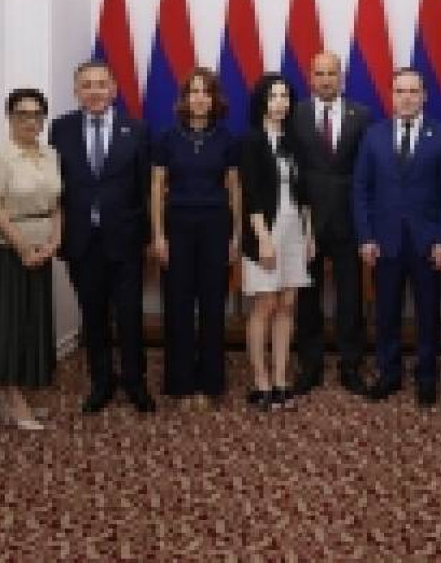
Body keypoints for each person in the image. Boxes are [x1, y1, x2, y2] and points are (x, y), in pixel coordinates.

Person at [49, 62, 155, 414]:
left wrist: (148, 236)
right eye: (87, 85)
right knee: (93, 315)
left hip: (125, 238)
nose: (94, 91)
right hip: (82, 240)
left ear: (113, 89)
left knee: (129, 315)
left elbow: (144, 187)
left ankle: (135, 381)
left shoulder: (136, 129)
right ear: (76, 91)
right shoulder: (61, 129)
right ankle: (101, 381)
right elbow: (58, 185)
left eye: (101, 84)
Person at [353, 68, 441, 408]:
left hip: (428, 243)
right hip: (384, 242)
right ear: (392, 95)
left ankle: (427, 377)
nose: (407, 98)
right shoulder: (373, 135)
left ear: (424, 96)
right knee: (386, 313)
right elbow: (360, 189)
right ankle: (389, 373)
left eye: (413, 92)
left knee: (429, 313)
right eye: (400, 91)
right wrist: (366, 237)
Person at [0, 89, 61, 429]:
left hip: (42, 249)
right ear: (9, 117)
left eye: (37, 115)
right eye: (22, 114)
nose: (30, 121)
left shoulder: (50, 153)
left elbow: (56, 203)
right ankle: (10, 397)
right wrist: (22, 247)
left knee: (31, 322)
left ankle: (17, 392)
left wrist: (55, 241)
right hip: (7, 249)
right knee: (7, 323)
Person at [151, 68, 241, 409]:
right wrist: (158, 235)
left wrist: (235, 235)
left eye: (206, 92)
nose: (200, 98)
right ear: (185, 98)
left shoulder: (227, 139)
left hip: (216, 226)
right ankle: (180, 383)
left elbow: (234, 189)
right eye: (194, 92)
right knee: (178, 305)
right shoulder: (167, 138)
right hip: (177, 226)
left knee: (213, 305)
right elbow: (157, 187)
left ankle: (210, 383)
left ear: (214, 99)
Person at [290, 51, 372, 396]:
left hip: (348, 219)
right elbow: (290, 168)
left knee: (350, 297)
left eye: (332, 74)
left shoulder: (361, 115)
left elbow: (367, 171)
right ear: (311, 78)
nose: (325, 80)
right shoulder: (295, 114)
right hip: (306, 221)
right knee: (307, 297)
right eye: (320, 74)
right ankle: (310, 365)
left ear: (342, 77)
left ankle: (350, 364)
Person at [240, 74, 314, 411]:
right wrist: (263, 240)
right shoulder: (252, 141)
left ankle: (281, 378)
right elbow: (252, 194)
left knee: (287, 303)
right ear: (262, 102)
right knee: (265, 304)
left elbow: (305, 193)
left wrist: (309, 234)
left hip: (294, 229)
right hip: (264, 231)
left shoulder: (294, 141)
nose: (280, 103)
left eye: (285, 96)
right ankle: (261, 381)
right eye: (273, 96)